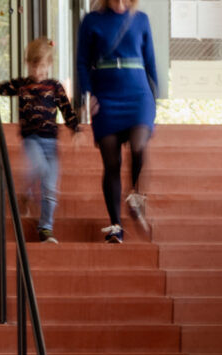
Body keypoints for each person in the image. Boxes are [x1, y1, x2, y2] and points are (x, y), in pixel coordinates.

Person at [0, 38, 81, 244]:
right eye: (34, 65)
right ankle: (27, 191)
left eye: (43, 65)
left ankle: (46, 228)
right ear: (28, 64)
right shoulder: (22, 85)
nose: (38, 70)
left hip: (51, 143)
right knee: (40, 170)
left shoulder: (55, 87)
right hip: (32, 140)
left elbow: (66, 110)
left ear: (49, 64)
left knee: (51, 188)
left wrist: (76, 129)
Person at [75, 0, 159, 243]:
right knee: (111, 162)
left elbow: (150, 60)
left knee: (139, 145)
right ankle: (115, 226)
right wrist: (87, 94)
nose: (121, 3)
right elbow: (82, 62)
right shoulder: (91, 21)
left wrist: (156, 99)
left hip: (138, 94)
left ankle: (134, 193)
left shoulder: (141, 19)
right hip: (106, 96)